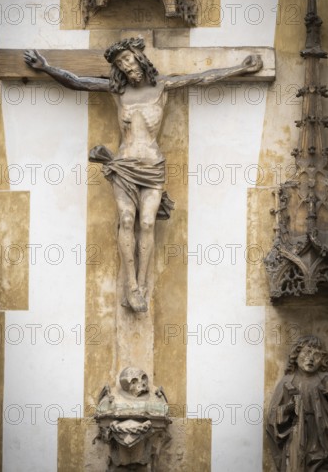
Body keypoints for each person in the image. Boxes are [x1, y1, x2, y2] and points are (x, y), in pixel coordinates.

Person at [24, 37, 262, 312]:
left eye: (128, 59)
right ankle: (131, 286)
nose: (126, 66)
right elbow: (77, 81)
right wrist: (46, 67)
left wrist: (240, 69)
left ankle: (142, 282)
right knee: (127, 219)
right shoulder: (117, 92)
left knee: (147, 224)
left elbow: (202, 78)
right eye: (120, 64)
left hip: (152, 166)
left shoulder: (163, 87)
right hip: (124, 165)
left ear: (139, 57)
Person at [267, 335, 328, 471]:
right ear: (296, 354)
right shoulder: (287, 382)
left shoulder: (324, 380)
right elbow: (272, 417)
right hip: (296, 436)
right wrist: (287, 410)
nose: (311, 358)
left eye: (317, 355)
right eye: (306, 352)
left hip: (320, 435)